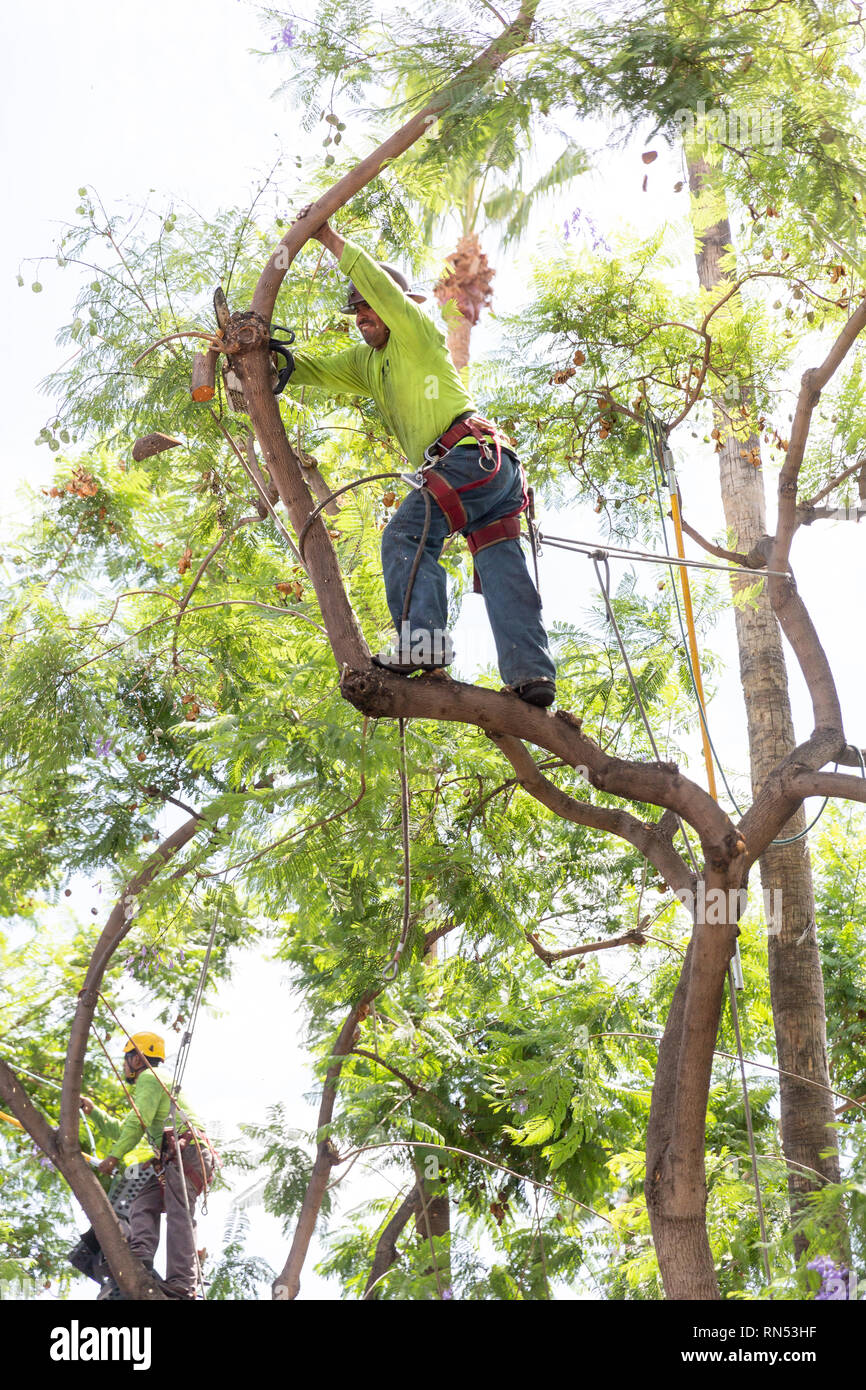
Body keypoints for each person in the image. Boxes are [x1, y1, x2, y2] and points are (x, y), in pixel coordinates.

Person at [286, 208, 557, 707]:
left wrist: (326, 236)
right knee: (500, 566)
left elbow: (378, 287)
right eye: (358, 313)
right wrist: (261, 360)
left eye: (371, 308)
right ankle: (532, 678)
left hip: (469, 459)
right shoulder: (369, 365)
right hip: (488, 480)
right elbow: (310, 370)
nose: (365, 318)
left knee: (407, 533)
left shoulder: (414, 331)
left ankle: (423, 644)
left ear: (396, 306)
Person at [80, 1031, 213, 1300]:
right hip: (175, 1157)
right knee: (144, 1194)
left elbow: (136, 1124)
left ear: (137, 1060)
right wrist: (93, 1112)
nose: (125, 1065)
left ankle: (182, 1283)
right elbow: (126, 1127)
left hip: (185, 1153)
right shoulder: (155, 1082)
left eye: (128, 1058)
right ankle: (140, 1255)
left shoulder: (151, 1079)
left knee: (179, 1216)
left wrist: (114, 1157)